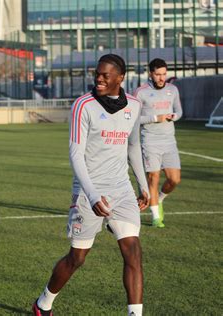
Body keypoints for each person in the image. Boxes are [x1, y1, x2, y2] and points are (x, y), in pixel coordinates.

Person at [32, 54, 150, 316]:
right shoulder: (83, 105)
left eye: (105, 75)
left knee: (133, 252)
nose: (98, 78)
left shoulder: (133, 105)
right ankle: (43, 304)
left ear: (120, 78)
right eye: (97, 73)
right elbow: (75, 154)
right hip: (89, 193)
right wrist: (93, 195)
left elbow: (133, 146)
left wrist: (144, 185)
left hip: (122, 190)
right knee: (77, 258)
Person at [133, 58, 182, 228]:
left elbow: (179, 110)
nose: (162, 78)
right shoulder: (140, 92)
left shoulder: (173, 89)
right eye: (158, 74)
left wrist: (174, 116)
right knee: (153, 178)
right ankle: (156, 218)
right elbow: (134, 118)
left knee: (174, 179)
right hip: (150, 142)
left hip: (169, 141)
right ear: (151, 74)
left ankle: (159, 199)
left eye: (164, 74)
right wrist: (155, 118)